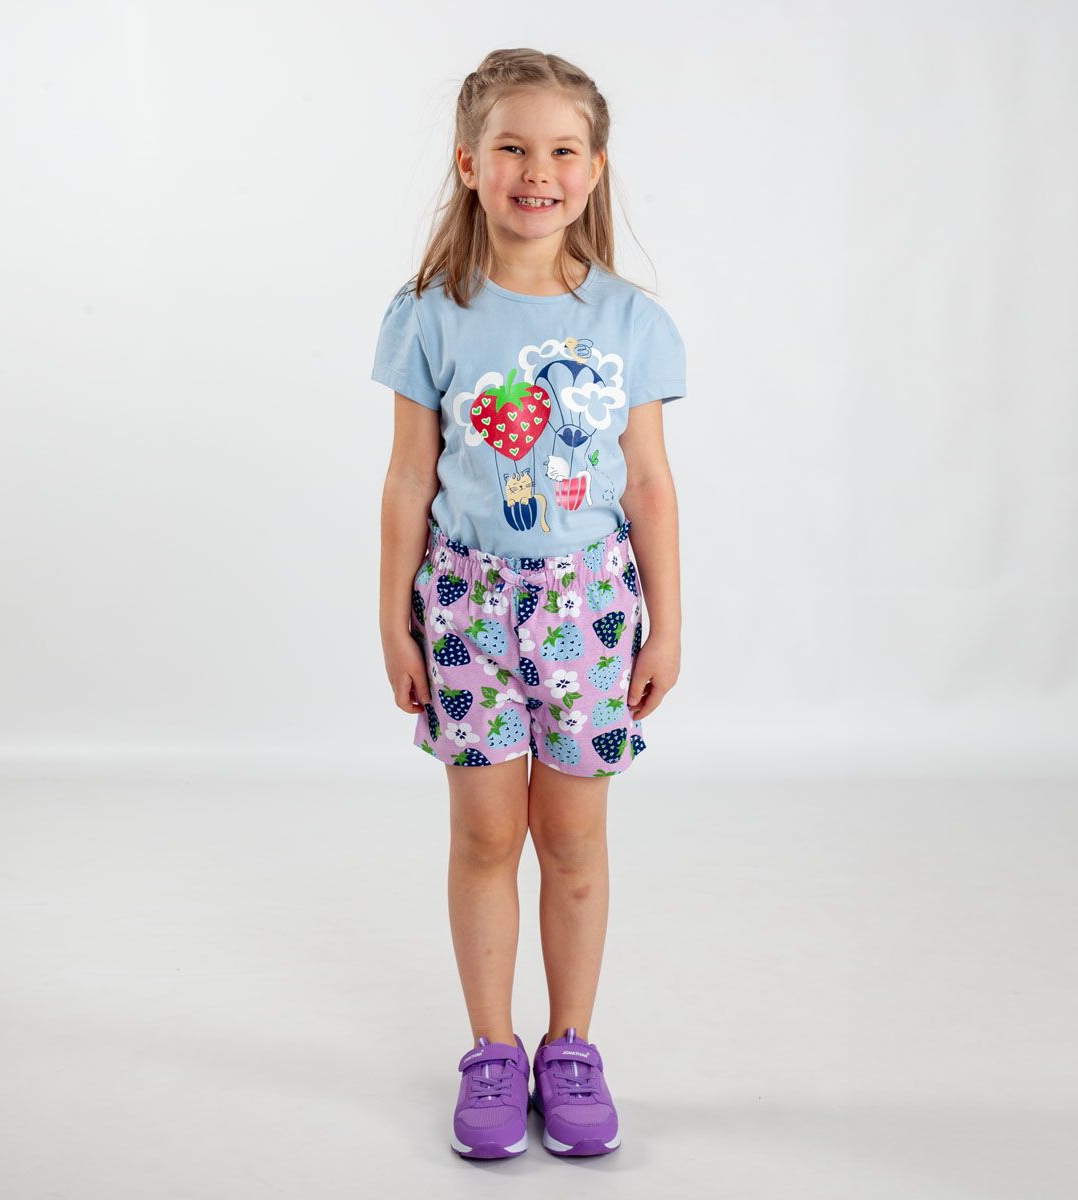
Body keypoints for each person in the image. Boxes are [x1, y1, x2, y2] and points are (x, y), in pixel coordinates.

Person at [370, 48, 686, 1160]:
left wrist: (668, 625)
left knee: (575, 841)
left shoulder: (631, 321)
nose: (536, 171)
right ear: (470, 163)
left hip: (589, 612)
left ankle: (571, 1046)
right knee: (485, 834)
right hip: (465, 611)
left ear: (593, 170)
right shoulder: (429, 314)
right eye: (512, 147)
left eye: (561, 150)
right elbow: (408, 479)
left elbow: (649, 485)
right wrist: (394, 622)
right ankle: (493, 1051)